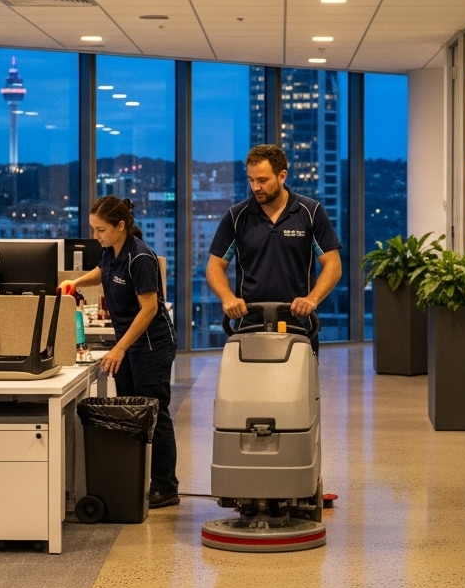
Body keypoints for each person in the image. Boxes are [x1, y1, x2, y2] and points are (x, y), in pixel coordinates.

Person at [61, 196, 181, 508]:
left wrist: (119, 348)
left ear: (121, 226)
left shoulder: (139, 257)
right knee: (133, 412)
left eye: (100, 230)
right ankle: (137, 478)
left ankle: (166, 486)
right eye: (93, 229)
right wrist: (75, 282)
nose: (96, 236)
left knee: (154, 412)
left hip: (151, 345)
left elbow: (149, 309)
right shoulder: (111, 250)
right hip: (129, 343)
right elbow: (101, 272)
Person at [206, 144, 342, 350]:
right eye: (251, 180)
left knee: (299, 383)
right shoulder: (236, 216)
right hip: (249, 324)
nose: (255, 187)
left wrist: (312, 300)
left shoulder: (311, 212)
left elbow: (333, 264)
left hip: (300, 324)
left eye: (262, 180)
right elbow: (214, 266)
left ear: (282, 176)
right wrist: (228, 299)